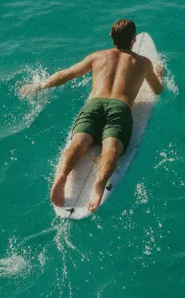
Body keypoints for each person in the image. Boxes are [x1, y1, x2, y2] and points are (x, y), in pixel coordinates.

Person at [21, 19, 164, 212]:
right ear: (133, 39)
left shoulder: (97, 57)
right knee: (111, 147)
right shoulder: (142, 62)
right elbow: (157, 90)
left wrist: (40, 85)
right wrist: (159, 74)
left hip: (94, 104)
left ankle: (62, 176)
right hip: (119, 108)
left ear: (111, 37)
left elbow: (67, 74)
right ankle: (100, 183)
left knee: (80, 141)